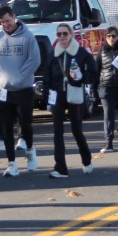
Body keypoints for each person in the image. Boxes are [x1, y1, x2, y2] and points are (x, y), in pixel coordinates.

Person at [0, 5, 42, 177]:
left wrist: (20, 76)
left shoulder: (28, 37)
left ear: (14, 17)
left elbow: (35, 60)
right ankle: (11, 163)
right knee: (6, 126)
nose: (6, 24)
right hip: (4, 90)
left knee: (25, 124)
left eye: (8, 20)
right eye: (2, 22)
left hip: (23, 89)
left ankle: (30, 150)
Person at [43, 23, 97, 178]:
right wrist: (48, 98)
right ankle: (60, 168)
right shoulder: (53, 53)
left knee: (76, 130)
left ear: (71, 34)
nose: (62, 37)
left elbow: (93, 74)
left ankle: (86, 160)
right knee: (57, 132)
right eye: (59, 34)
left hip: (74, 94)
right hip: (57, 96)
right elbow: (47, 77)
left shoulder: (80, 52)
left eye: (65, 34)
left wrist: (81, 77)